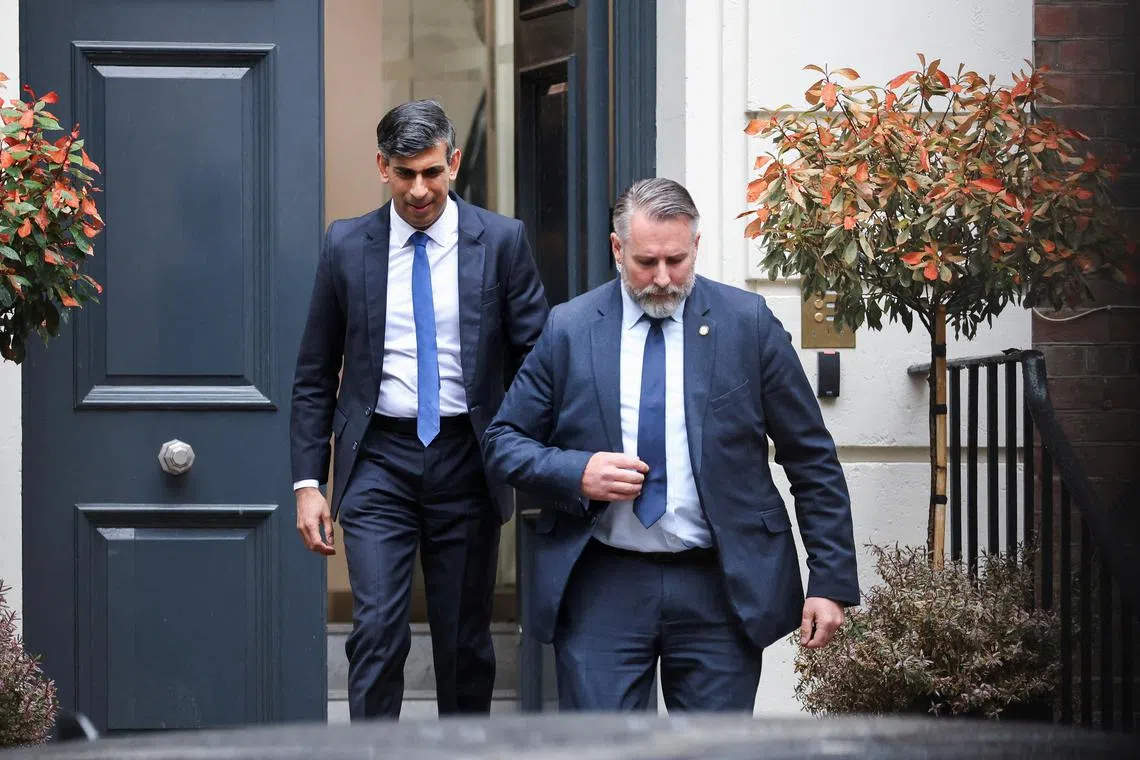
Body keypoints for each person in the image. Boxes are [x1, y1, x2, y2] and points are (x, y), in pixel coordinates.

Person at [482, 177, 859, 712]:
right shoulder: (569, 329)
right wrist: (577, 471)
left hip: (718, 582)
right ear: (617, 249)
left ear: (697, 245)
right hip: (603, 581)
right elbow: (502, 441)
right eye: (645, 262)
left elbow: (811, 458)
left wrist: (830, 579)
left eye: (676, 261)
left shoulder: (746, 326)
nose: (662, 278)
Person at [290, 100, 548, 719]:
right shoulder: (346, 245)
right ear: (382, 167)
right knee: (378, 631)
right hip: (379, 458)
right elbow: (314, 372)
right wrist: (307, 482)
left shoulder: (502, 241)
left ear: (454, 162)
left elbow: (538, 359)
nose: (419, 189)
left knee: (464, 641)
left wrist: (528, 452)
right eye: (405, 173)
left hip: (468, 456)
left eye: (432, 172)